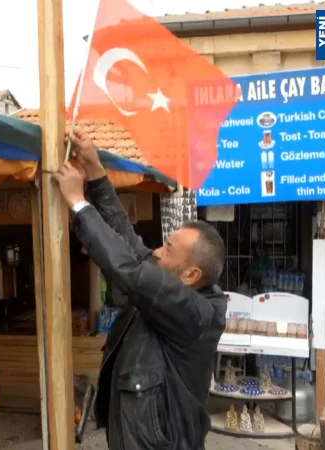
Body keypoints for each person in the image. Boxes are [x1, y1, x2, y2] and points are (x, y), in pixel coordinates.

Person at [52, 131, 228, 450]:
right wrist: (95, 170)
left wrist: (79, 204)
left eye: (169, 249)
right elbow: (130, 244)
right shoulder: (170, 278)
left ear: (191, 274)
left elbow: (129, 272)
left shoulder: (196, 314)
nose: (158, 251)